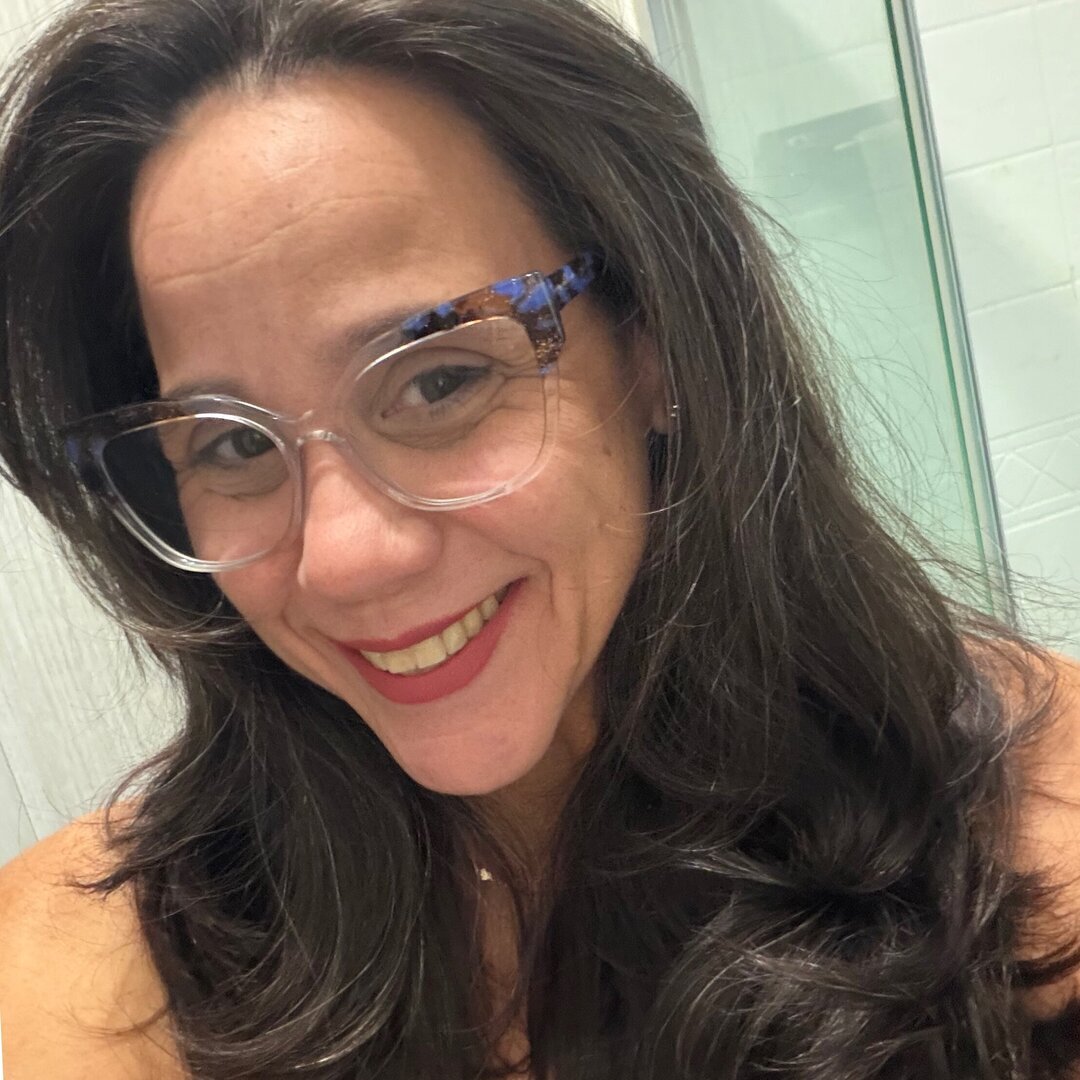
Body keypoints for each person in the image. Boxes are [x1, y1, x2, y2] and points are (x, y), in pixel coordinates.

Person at [0, 0, 1078, 1076]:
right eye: (232, 445)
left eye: (441, 380)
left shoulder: (1039, 852)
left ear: (653, 346)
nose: (343, 559)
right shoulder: (81, 972)